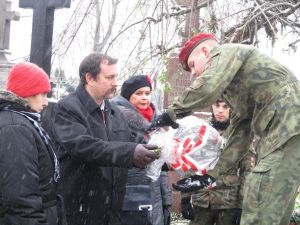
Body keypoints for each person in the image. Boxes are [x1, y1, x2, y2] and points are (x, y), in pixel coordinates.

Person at [152, 32, 300, 225]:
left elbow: (207, 87)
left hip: (287, 129)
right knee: (272, 213)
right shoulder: (238, 88)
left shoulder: (226, 52)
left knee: (259, 193)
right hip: (285, 135)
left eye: (193, 66)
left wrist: (171, 113)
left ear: (206, 52)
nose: (194, 74)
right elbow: (240, 136)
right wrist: (211, 176)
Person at [44, 53, 158, 225]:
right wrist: (131, 152)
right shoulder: (67, 109)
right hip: (79, 213)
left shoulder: (114, 112)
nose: (115, 82)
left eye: (116, 76)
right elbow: (85, 147)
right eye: (109, 77)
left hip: (111, 212)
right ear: (89, 78)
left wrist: (163, 153)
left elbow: (135, 142)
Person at [0, 62, 66, 225]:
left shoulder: (21, 121)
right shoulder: (15, 127)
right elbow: (20, 198)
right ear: (27, 91)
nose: (46, 102)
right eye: (42, 94)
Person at [180, 99, 255, 225]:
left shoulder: (240, 135)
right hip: (202, 200)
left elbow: (247, 172)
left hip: (228, 203)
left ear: (232, 109)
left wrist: (241, 207)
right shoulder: (201, 132)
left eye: (225, 106)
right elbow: (190, 165)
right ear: (212, 107)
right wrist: (185, 199)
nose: (220, 110)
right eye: (217, 105)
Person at [113, 75, 172, 225]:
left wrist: (167, 200)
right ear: (127, 96)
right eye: (138, 94)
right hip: (130, 190)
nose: (144, 98)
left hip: (155, 192)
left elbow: (161, 168)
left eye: (147, 93)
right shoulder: (116, 117)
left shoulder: (159, 119)